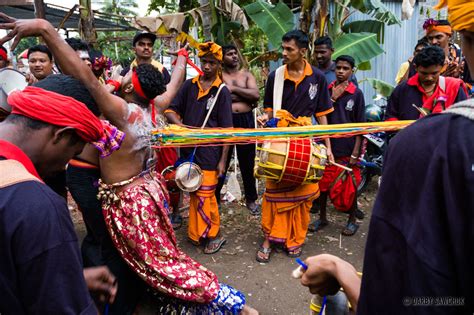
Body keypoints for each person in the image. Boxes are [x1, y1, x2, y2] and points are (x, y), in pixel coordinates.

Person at [2, 16, 256, 314]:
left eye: (126, 78)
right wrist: (182, 59)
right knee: (162, 260)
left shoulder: (122, 112)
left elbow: (83, 77)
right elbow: (174, 82)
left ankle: (227, 304)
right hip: (150, 192)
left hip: (130, 203)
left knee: (161, 266)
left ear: (128, 87)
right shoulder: (155, 106)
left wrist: (46, 30)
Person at [299, 1, 474, 314]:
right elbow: (387, 121)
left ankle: (352, 216)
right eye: (424, 75)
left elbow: (399, 299)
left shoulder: (454, 104)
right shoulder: (402, 93)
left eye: (435, 75)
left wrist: (342, 271)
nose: (430, 81)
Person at [0, 71, 118, 313]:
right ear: (61, 135)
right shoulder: (37, 205)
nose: (64, 165)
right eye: (73, 154)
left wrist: (68, 278)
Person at [256, 30, 333, 262]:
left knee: (303, 191)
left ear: (302, 51)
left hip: (305, 142)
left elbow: (321, 116)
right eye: (283, 48)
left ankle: (294, 239)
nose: (284, 53)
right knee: (273, 187)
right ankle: (269, 238)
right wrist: (264, 119)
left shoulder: (318, 78)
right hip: (279, 140)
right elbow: (269, 110)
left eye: (289, 49)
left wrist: (327, 146)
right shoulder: (275, 77)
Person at [165, 42, 233, 254]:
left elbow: (227, 130)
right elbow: (170, 110)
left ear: (219, 65)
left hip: (211, 152)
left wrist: (223, 161)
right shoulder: (189, 86)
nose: (207, 66)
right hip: (189, 150)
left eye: (212, 62)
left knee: (207, 194)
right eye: (204, 61)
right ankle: (197, 233)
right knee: (193, 191)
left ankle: (213, 234)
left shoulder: (222, 91)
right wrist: (181, 126)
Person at [309, 55, 366, 237]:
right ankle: (323, 217)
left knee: (350, 185)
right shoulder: (327, 91)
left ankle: (351, 220)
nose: (341, 71)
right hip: (328, 145)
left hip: (348, 147)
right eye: (338, 68)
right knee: (323, 185)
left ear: (352, 71)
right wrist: (332, 99)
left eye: (345, 68)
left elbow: (360, 125)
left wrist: (356, 151)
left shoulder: (356, 94)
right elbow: (320, 115)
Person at [214, 44, 260, 214]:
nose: (234, 56)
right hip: (225, 121)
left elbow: (255, 95)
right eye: (229, 54)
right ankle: (215, 197)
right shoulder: (218, 76)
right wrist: (243, 94)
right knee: (221, 160)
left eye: (235, 53)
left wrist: (232, 90)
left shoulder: (246, 75)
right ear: (222, 58)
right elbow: (218, 96)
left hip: (245, 120)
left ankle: (251, 199)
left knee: (247, 160)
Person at [386, 45, 467, 121]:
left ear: (442, 68)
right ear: (415, 68)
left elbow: (464, 120)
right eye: (424, 73)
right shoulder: (402, 89)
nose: (429, 78)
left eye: (434, 73)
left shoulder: (454, 88)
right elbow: (390, 117)